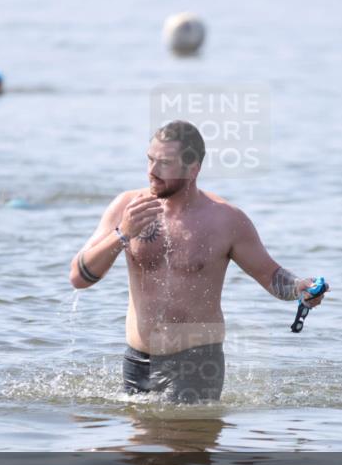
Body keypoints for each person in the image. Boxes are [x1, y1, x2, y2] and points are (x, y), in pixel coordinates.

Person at [68, 120, 328, 403]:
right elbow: (79, 278)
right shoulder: (127, 208)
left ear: (193, 169)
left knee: (187, 445)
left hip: (197, 365)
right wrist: (123, 234)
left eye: (164, 163)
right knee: (138, 448)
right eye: (150, 160)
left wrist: (300, 287)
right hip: (136, 361)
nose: (151, 172)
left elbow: (270, 275)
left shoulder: (226, 220)